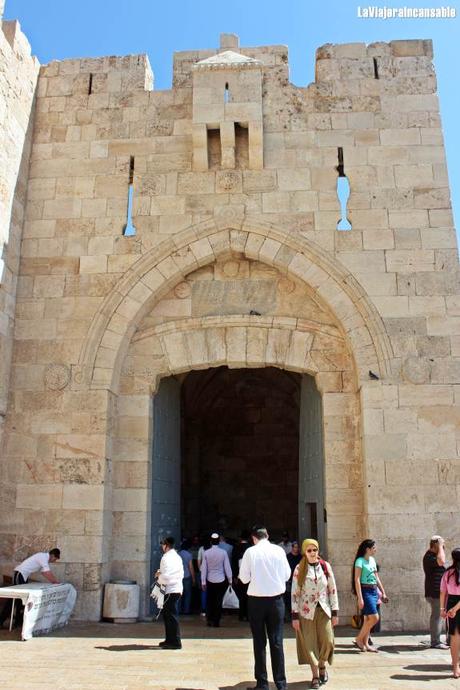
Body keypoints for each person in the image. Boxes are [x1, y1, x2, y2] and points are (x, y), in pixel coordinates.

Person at [239, 525, 291, 690]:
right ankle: (281, 683)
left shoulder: (250, 552)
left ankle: (262, 683)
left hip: (256, 601)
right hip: (276, 601)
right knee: (277, 641)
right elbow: (286, 575)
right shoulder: (279, 551)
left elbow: (244, 578)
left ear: (254, 538)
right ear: (267, 536)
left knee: (259, 641)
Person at [291, 538, 339, 689]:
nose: (312, 553)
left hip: (323, 610)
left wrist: (335, 612)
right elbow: (295, 593)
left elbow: (332, 589)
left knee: (328, 640)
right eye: (309, 550)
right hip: (306, 612)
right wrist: (294, 616)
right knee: (310, 644)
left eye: (315, 550)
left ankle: (322, 665)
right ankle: (315, 675)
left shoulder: (325, 566)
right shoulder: (299, 569)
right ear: (305, 552)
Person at [0, 548, 61, 628]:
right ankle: (2, 621)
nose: (54, 561)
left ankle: (17, 622)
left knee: (20, 600)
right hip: (20, 574)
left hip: (23, 576)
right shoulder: (43, 557)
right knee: (15, 599)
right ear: (52, 555)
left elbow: (44, 573)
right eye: (55, 559)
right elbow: (47, 572)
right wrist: (56, 582)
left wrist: (54, 582)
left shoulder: (43, 558)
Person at [352, 539, 388, 652]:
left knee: (368, 619)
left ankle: (366, 644)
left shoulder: (372, 560)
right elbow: (356, 580)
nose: (375, 549)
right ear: (367, 549)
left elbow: (377, 578)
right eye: (374, 548)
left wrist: (383, 592)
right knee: (374, 617)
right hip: (365, 590)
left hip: (373, 590)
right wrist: (360, 598)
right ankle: (358, 639)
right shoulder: (359, 561)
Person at [156, 536, 184, 650]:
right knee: (168, 615)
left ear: (166, 545)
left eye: (163, 545)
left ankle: (175, 641)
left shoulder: (166, 558)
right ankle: (169, 639)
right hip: (176, 588)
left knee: (171, 616)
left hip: (170, 589)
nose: (162, 547)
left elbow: (166, 575)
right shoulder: (177, 557)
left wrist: (159, 575)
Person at [201, 532, 232, 627]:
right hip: (221, 580)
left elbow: (204, 569)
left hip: (210, 580)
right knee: (218, 601)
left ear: (211, 542)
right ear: (218, 542)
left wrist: (203, 581)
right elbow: (227, 567)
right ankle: (216, 621)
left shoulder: (206, 553)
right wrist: (230, 579)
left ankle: (209, 619)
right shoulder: (223, 553)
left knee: (210, 601)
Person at [423, 535, 448, 649]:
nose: (443, 548)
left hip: (438, 592)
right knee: (436, 616)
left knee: (438, 616)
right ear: (435, 545)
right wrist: (440, 546)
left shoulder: (432, 555)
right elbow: (442, 561)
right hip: (434, 592)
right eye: (441, 545)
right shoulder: (429, 556)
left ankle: (439, 640)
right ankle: (435, 642)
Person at [440, 548, 460, 679]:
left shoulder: (447, 573)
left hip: (452, 602)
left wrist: (443, 609)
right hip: (455, 605)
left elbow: (442, 592)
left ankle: (455, 667)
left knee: (454, 637)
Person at [232, 529, 251, 621]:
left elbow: (234, 563)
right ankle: (247, 615)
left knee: (240, 596)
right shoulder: (250, 548)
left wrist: (235, 576)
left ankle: (241, 615)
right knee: (248, 596)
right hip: (249, 576)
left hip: (239, 575)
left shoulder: (236, 547)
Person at [284, 541, 301, 622]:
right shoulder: (287, 557)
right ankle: (289, 617)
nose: (296, 549)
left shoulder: (301, 557)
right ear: (292, 547)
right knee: (288, 599)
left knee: (297, 598)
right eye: (295, 547)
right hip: (289, 581)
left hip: (298, 581)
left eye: (297, 547)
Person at [178, 540, 195, 615]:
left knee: (179, 594)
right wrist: (194, 578)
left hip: (178, 577)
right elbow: (191, 567)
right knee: (187, 594)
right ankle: (186, 610)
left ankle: (178, 609)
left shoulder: (177, 554)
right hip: (187, 576)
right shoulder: (189, 554)